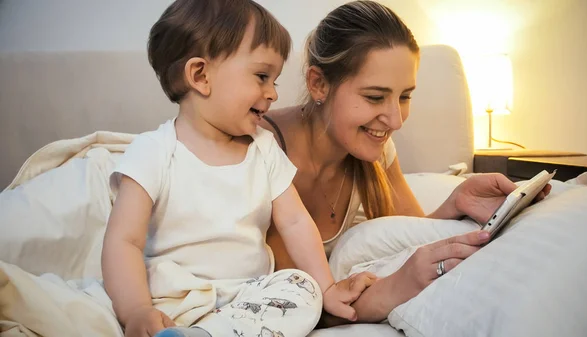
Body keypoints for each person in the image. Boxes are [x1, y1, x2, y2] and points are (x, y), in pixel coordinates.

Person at [261, 0, 551, 325]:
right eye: (374, 97)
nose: (396, 120)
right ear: (319, 84)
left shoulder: (378, 151)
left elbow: (406, 236)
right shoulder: (262, 152)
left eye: (405, 96)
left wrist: (454, 206)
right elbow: (291, 303)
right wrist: (395, 287)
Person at [100, 1, 375, 337]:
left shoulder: (264, 149)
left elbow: (295, 220)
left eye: (274, 80)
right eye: (262, 76)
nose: (273, 93)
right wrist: (137, 311)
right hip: (171, 297)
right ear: (200, 76)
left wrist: (326, 286)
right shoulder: (153, 151)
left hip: (248, 299)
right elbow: (123, 241)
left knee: (302, 287)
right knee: (93, 304)